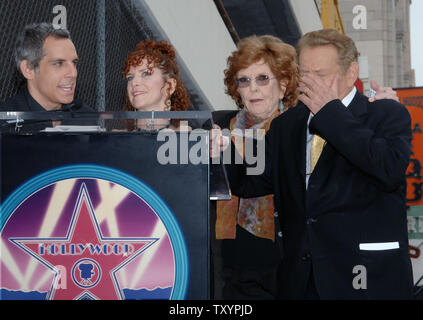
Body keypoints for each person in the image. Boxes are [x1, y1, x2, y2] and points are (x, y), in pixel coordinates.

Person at [224, 29, 414, 299]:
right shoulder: (286, 125)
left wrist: (330, 114)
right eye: (305, 75)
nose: (310, 83)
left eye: (321, 75)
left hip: (369, 280)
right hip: (303, 282)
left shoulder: (385, 112)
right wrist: (223, 149)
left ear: (351, 72)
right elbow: (249, 182)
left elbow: (388, 169)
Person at [0, 22, 94, 132]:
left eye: (74, 63)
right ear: (28, 69)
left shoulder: (86, 118)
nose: (73, 74)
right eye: (59, 63)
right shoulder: (5, 123)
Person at [122, 39, 191, 132]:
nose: (134, 82)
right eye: (130, 77)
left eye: (146, 73)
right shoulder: (117, 138)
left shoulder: (186, 139)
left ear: (169, 85)